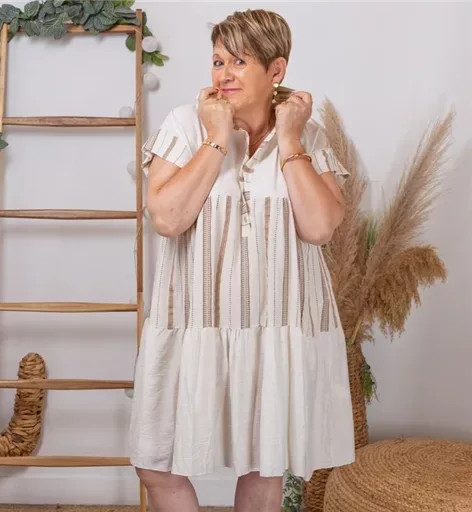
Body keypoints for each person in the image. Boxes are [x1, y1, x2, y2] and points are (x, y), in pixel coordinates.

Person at [128, 8, 355, 512]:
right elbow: (167, 218)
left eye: (239, 61)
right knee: (155, 465)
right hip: (193, 323)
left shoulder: (309, 136)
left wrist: (290, 139)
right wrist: (216, 137)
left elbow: (320, 228)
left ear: (276, 70)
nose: (224, 75)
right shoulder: (185, 124)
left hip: (277, 327)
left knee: (263, 466)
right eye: (217, 61)